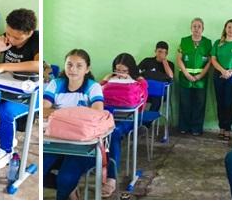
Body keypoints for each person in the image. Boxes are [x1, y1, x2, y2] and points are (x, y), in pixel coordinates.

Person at [0, 9, 39, 169]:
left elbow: (37, 65)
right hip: (5, 89)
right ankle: (6, 137)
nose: (11, 39)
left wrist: (3, 66)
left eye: (17, 37)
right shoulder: (6, 37)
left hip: (31, 92)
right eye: (9, 34)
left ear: (30, 33)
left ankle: (6, 151)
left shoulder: (37, 40)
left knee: (5, 112)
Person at [43, 49, 104, 200]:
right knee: (38, 171)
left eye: (79, 66)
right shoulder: (56, 84)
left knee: (65, 178)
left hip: (83, 145)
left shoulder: (93, 86)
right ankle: (70, 189)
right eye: (69, 65)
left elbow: (96, 113)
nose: (73, 69)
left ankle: (67, 190)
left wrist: (58, 113)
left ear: (87, 69)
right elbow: (43, 109)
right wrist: (77, 115)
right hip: (56, 140)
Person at [100, 53, 148, 197]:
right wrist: (105, 80)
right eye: (117, 70)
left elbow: (140, 106)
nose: (120, 74)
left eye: (123, 71)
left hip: (129, 119)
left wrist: (131, 82)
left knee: (113, 133)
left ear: (131, 70)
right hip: (109, 116)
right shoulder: (110, 80)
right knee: (98, 132)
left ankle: (111, 177)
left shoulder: (140, 82)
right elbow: (96, 94)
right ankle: (97, 168)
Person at [176, 18, 212, 135]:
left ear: (203, 28)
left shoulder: (207, 42)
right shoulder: (184, 41)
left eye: (199, 26)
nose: (196, 29)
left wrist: (200, 75)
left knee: (199, 104)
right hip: (185, 79)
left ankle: (196, 128)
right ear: (191, 28)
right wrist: (186, 74)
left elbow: (210, 61)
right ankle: (183, 127)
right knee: (185, 103)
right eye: (194, 26)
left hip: (201, 80)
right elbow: (179, 59)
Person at [138, 41, 174, 112]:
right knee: (136, 97)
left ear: (166, 54)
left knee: (157, 99)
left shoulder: (170, 64)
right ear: (155, 51)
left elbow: (170, 76)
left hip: (160, 93)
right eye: (159, 51)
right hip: (145, 91)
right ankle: (138, 119)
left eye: (164, 52)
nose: (161, 54)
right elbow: (137, 72)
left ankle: (147, 122)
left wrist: (164, 61)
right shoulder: (147, 61)